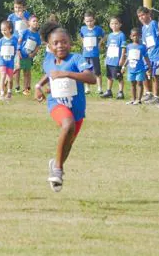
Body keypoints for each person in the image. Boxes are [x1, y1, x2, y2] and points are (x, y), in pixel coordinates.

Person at [34, 22, 95, 193]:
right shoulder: (48, 61)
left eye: (64, 42)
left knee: (68, 144)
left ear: (70, 43)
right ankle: (58, 171)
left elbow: (91, 78)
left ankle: (56, 165)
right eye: (56, 43)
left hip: (77, 109)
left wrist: (66, 73)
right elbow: (49, 74)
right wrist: (39, 87)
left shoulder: (76, 59)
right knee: (67, 124)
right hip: (56, 104)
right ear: (50, 46)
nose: (60, 45)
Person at [137, 6, 159, 104]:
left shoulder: (154, 24)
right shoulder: (143, 28)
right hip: (148, 55)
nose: (141, 18)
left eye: (143, 15)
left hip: (157, 54)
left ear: (148, 14)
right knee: (144, 73)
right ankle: (148, 93)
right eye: (139, 16)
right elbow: (144, 43)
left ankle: (156, 96)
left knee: (156, 75)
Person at [8, 0, 31, 92]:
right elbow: (7, 28)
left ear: (24, 8)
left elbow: (31, 26)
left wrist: (23, 18)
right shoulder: (11, 17)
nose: (17, 10)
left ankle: (27, 87)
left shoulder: (28, 15)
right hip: (15, 43)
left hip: (26, 45)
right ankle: (17, 86)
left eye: (20, 7)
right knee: (17, 66)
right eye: (16, 7)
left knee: (26, 67)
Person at [101, 16, 127, 100]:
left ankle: (120, 92)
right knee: (109, 76)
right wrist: (106, 58)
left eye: (116, 23)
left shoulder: (121, 35)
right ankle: (109, 91)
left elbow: (123, 48)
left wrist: (122, 58)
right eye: (112, 23)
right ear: (110, 25)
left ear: (120, 25)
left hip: (117, 61)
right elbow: (108, 48)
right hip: (110, 60)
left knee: (119, 77)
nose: (114, 25)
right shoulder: (110, 36)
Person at [79, 11, 104, 94]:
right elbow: (81, 36)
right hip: (85, 54)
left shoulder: (98, 29)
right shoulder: (83, 29)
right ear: (84, 21)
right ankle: (87, 88)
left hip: (94, 54)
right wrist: (83, 42)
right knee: (86, 71)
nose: (89, 23)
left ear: (94, 20)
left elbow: (104, 36)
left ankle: (99, 88)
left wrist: (100, 44)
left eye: (90, 21)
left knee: (97, 71)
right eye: (87, 21)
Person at [123, 28, 150, 105]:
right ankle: (133, 99)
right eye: (133, 36)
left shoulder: (142, 47)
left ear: (140, 36)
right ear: (131, 37)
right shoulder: (129, 46)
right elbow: (128, 57)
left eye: (137, 36)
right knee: (132, 84)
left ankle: (139, 99)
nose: (135, 37)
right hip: (131, 69)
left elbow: (146, 57)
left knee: (139, 83)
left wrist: (149, 66)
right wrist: (123, 66)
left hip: (140, 69)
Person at [18, 15, 41, 95]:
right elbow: (19, 41)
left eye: (37, 21)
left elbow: (38, 46)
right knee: (15, 71)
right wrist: (18, 51)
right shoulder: (25, 32)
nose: (35, 22)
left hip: (28, 56)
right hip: (20, 55)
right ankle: (6, 84)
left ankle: (25, 89)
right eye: (33, 21)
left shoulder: (37, 35)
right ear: (29, 23)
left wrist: (33, 54)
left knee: (26, 72)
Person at [0, 20, 19, 100]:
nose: (3, 32)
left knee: (10, 79)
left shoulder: (14, 40)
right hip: (2, 61)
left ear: (10, 29)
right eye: (2, 30)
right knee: (2, 76)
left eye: (5, 30)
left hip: (10, 62)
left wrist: (17, 63)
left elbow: (17, 52)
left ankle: (9, 92)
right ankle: (2, 93)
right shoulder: (1, 41)